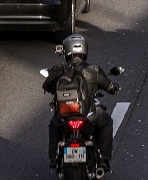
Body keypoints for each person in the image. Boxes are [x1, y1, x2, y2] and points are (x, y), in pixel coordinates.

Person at [42, 33, 119, 172]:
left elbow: (46, 86)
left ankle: (53, 157)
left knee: (54, 125)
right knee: (106, 121)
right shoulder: (93, 70)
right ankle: (103, 159)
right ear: (84, 50)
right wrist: (114, 87)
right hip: (88, 116)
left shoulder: (59, 69)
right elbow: (110, 87)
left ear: (66, 50)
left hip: (64, 117)